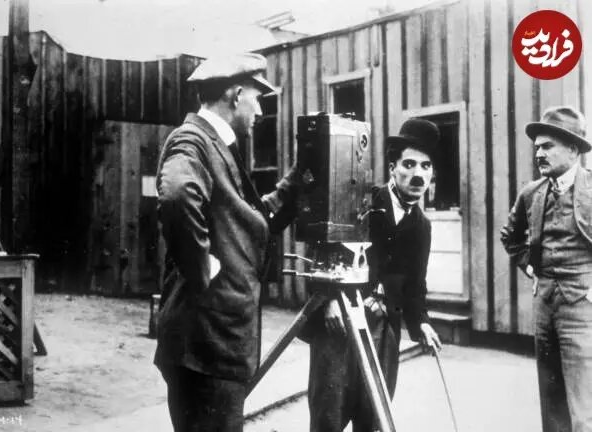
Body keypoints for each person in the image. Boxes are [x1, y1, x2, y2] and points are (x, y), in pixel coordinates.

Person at [153, 52, 301, 432]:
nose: (260, 112)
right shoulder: (193, 140)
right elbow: (177, 194)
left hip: (214, 346)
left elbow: (245, 219)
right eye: (257, 99)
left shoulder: (216, 145)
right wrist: (201, 264)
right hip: (205, 347)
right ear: (236, 95)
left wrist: (300, 179)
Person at [306, 118, 442, 432]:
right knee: (329, 416)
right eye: (409, 164)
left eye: (426, 166)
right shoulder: (362, 202)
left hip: (384, 330)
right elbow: (322, 252)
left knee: (374, 417)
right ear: (393, 168)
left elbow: (415, 285)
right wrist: (328, 302)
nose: (418, 174)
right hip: (339, 322)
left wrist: (421, 321)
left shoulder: (421, 226)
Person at [501, 106, 592, 432]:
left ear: (573, 149)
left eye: (548, 146)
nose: (539, 153)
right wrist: (530, 267)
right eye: (537, 147)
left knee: (584, 400)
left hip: (583, 305)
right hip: (545, 304)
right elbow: (510, 237)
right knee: (550, 394)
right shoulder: (532, 193)